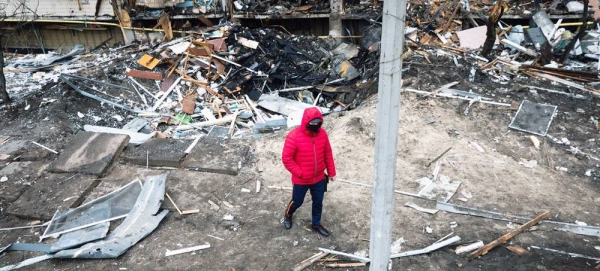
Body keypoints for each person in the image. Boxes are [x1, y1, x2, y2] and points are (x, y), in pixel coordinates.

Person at [281, 107, 336, 237]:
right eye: (312, 124)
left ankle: (316, 224)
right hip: (301, 180)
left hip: (319, 178)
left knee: (318, 202)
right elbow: (286, 159)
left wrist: (331, 171)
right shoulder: (293, 137)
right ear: (306, 122)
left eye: (318, 123)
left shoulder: (322, 134)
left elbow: (327, 153)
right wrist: (300, 173)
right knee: (297, 201)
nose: (315, 126)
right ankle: (288, 214)